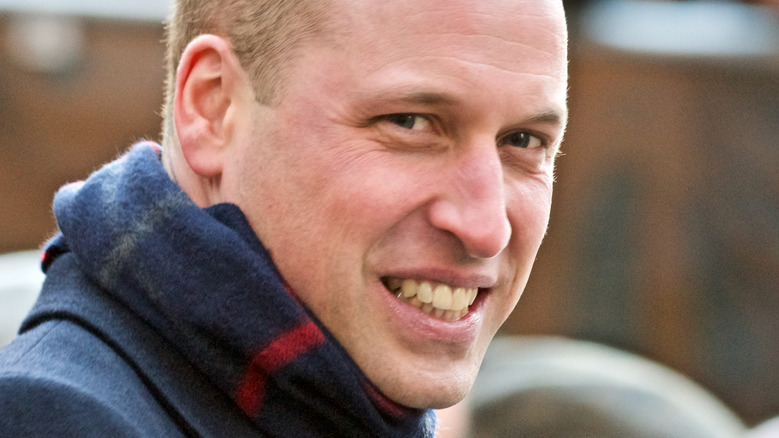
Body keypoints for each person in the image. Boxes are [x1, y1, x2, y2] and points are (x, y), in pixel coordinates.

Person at [0, 0, 568, 436]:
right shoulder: (55, 418)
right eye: (410, 122)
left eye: (524, 140)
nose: (486, 227)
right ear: (213, 106)